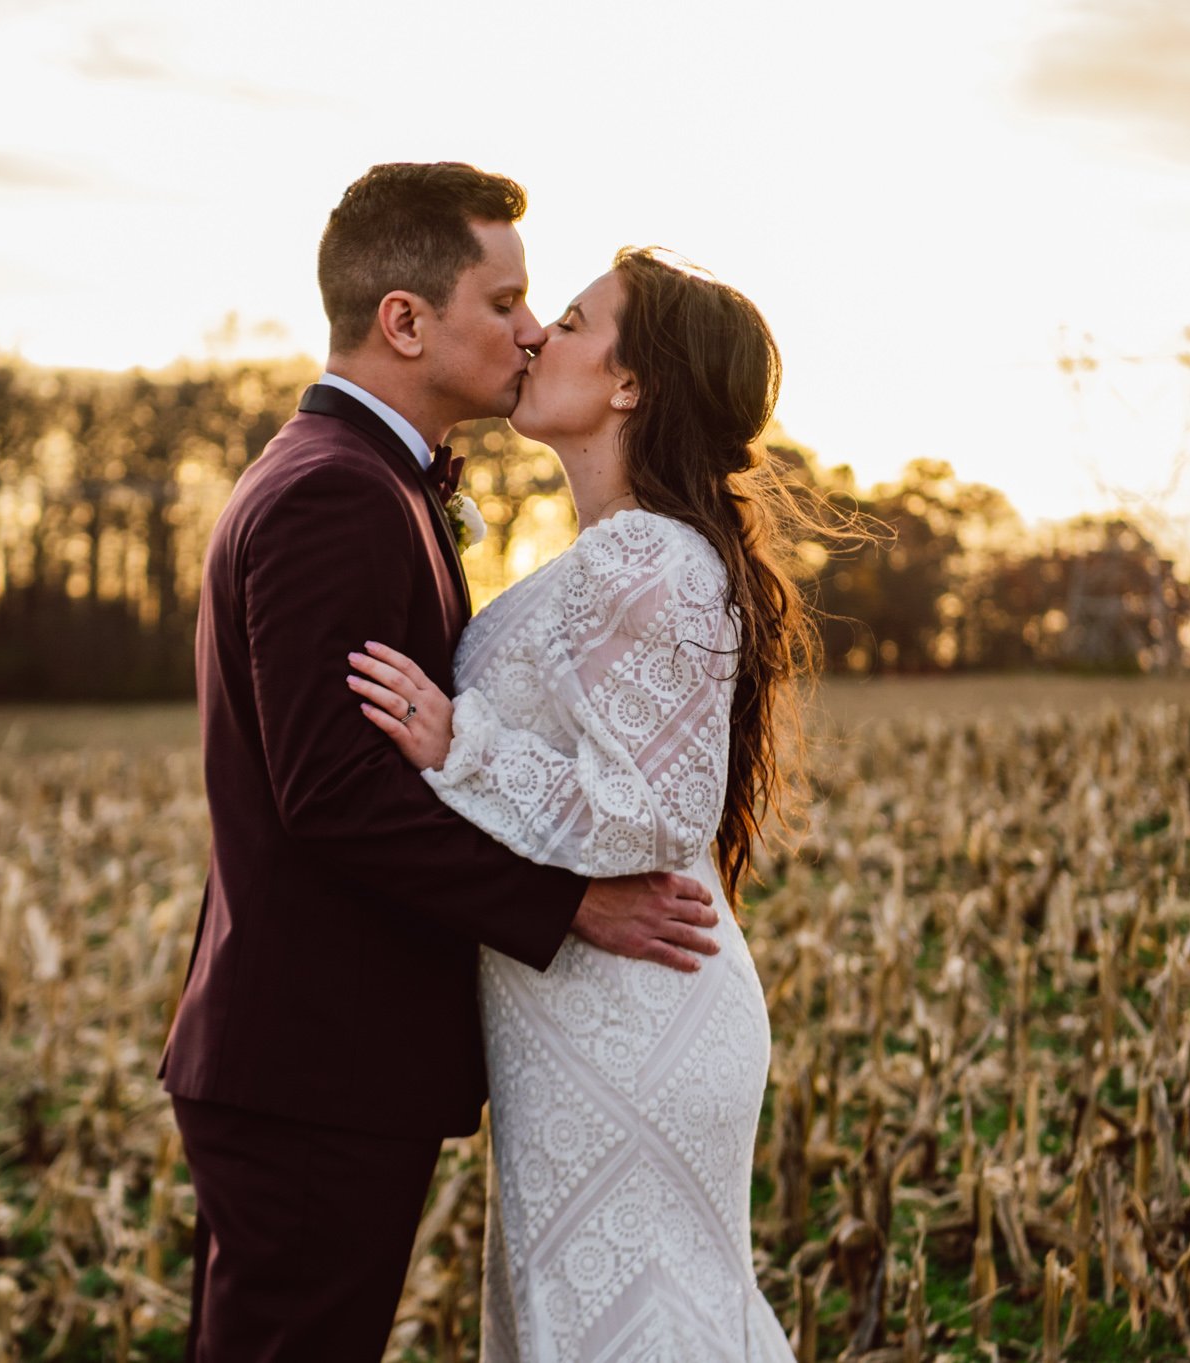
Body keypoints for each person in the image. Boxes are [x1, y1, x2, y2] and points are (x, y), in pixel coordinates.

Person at [157, 164, 725, 1363]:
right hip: (316, 1058)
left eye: (546, 310)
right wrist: (566, 904)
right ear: (405, 319)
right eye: (506, 299)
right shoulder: (335, 496)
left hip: (320, 1060)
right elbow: (338, 798)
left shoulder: (366, 483)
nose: (527, 331)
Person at [347, 247, 812, 1360]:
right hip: (584, 1004)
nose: (533, 337)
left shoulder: (643, 556)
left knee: (631, 1326)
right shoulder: (615, 553)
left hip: (629, 1008)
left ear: (628, 384)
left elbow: (650, 816)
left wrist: (461, 742)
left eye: (567, 318)